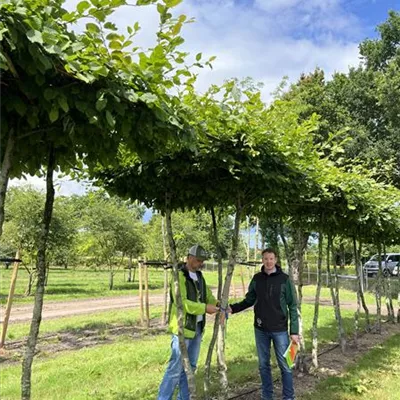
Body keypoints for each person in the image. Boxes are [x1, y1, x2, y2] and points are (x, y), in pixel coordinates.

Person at [225, 248, 299, 400]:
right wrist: (233, 308)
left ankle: (289, 397)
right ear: (262, 260)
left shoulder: (285, 280)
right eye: (266, 259)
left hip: (280, 330)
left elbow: (292, 306)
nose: (268, 261)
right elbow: (249, 299)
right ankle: (267, 396)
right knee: (263, 365)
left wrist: (294, 331)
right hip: (260, 330)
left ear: (276, 260)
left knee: (286, 365)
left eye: (271, 258)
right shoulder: (257, 279)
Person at [158, 244, 219, 400]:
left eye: (202, 261)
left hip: (197, 328)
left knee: (190, 367)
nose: (201, 264)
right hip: (182, 328)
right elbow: (183, 303)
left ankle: (184, 398)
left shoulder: (200, 277)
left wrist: (219, 305)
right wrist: (205, 308)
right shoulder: (179, 277)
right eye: (198, 260)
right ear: (189, 258)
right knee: (176, 368)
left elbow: (208, 296)